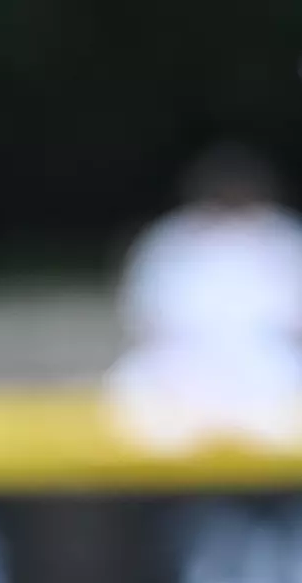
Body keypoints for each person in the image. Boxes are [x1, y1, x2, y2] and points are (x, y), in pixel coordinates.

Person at [106, 143, 302, 453]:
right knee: (135, 390)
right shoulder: (171, 239)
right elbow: (146, 317)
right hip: (184, 368)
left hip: (270, 369)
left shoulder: (284, 238)